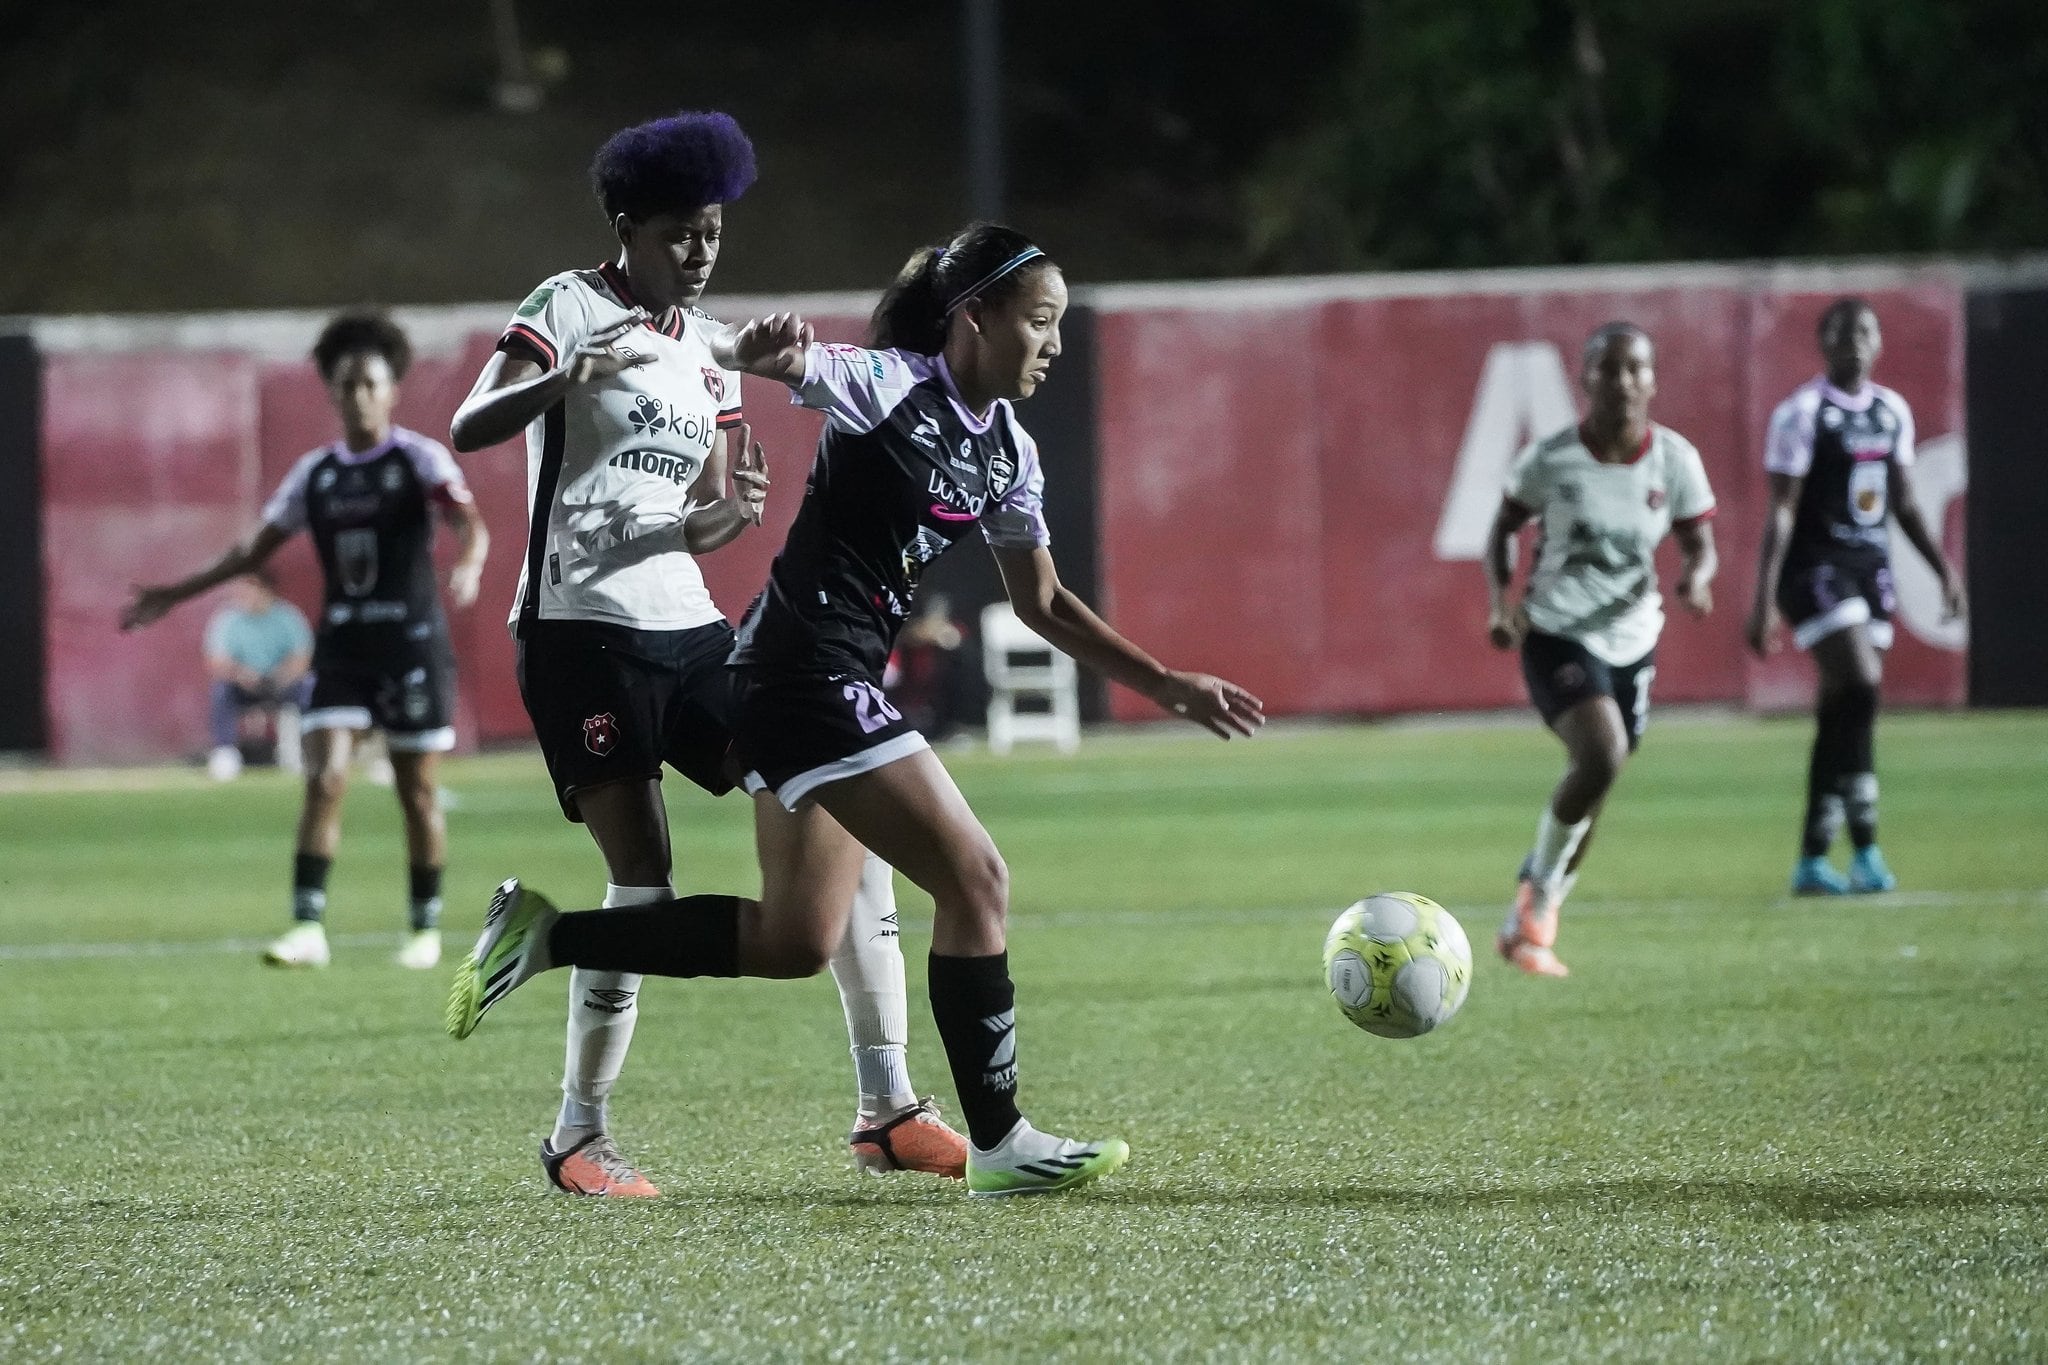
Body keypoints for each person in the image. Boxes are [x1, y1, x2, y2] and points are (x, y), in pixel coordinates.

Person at [445, 220, 1266, 1198]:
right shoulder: (884, 385)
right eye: (1037, 321)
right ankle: (997, 1140)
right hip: (797, 675)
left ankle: (546, 935)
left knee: (795, 939)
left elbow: (1041, 602)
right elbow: (790, 359)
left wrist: (1164, 681)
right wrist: (760, 353)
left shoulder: (1008, 452)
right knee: (975, 878)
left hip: (820, 683)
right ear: (972, 318)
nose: (1052, 342)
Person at [448, 110, 966, 1198]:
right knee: (643, 877)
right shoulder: (567, 306)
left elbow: (697, 517)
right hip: (576, 629)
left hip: (685, 627)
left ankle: (888, 1106)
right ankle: (577, 1137)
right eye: (680, 231)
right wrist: (561, 378)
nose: (698, 251)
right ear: (629, 227)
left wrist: (728, 515)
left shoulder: (707, 350)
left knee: (834, 798)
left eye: (714, 232)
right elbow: (471, 425)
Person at [123, 312, 489, 971]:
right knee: (323, 778)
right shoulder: (316, 475)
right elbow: (250, 551)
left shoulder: (418, 458)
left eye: (370, 384)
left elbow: (468, 522)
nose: (358, 396)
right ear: (333, 392)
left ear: (392, 390)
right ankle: (306, 926)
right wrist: (173, 593)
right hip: (345, 649)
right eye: (346, 385)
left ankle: (424, 928)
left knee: (418, 792)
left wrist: (469, 561)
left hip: (410, 647)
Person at [1483, 322, 1718, 977]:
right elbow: (1502, 530)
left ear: (1652, 380)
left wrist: (1698, 577)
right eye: (1608, 369)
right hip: (1556, 629)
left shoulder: (1674, 459)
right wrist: (1502, 601)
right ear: (1585, 379)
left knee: (1597, 781)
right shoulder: (1551, 459)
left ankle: (1530, 916)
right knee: (1603, 753)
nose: (1622, 381)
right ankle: (1540, 901)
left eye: (1634, 369)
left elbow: (1700, 542)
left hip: (1634, 638)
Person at [1744, 298, 1966, 895]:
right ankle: (1864, 843)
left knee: (1844, 709)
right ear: (1823, 342)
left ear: (1878, 342)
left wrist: (1943, 568)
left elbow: (1906, 500)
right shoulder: (1803, 413)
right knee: (1864, 683)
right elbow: (1783, 509)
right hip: (1814, 568)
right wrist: (1763, 597)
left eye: (1865, 331)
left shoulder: (1891, 411)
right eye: (1842, 332)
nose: (1854, 342)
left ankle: (1819, 857)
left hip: (1870, 570)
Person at [202, 570, 314, 780]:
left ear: (266, 591)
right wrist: (241, 674)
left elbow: (302, 659)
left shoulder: (289, 617)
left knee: (309, 687)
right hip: (244, 685)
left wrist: (281, 676)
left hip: (282, 683)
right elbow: (216, 662)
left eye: (250, 589)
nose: (243, 596)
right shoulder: (227, 620)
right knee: (221, 690)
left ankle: (305, 749)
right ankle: (225, 753)